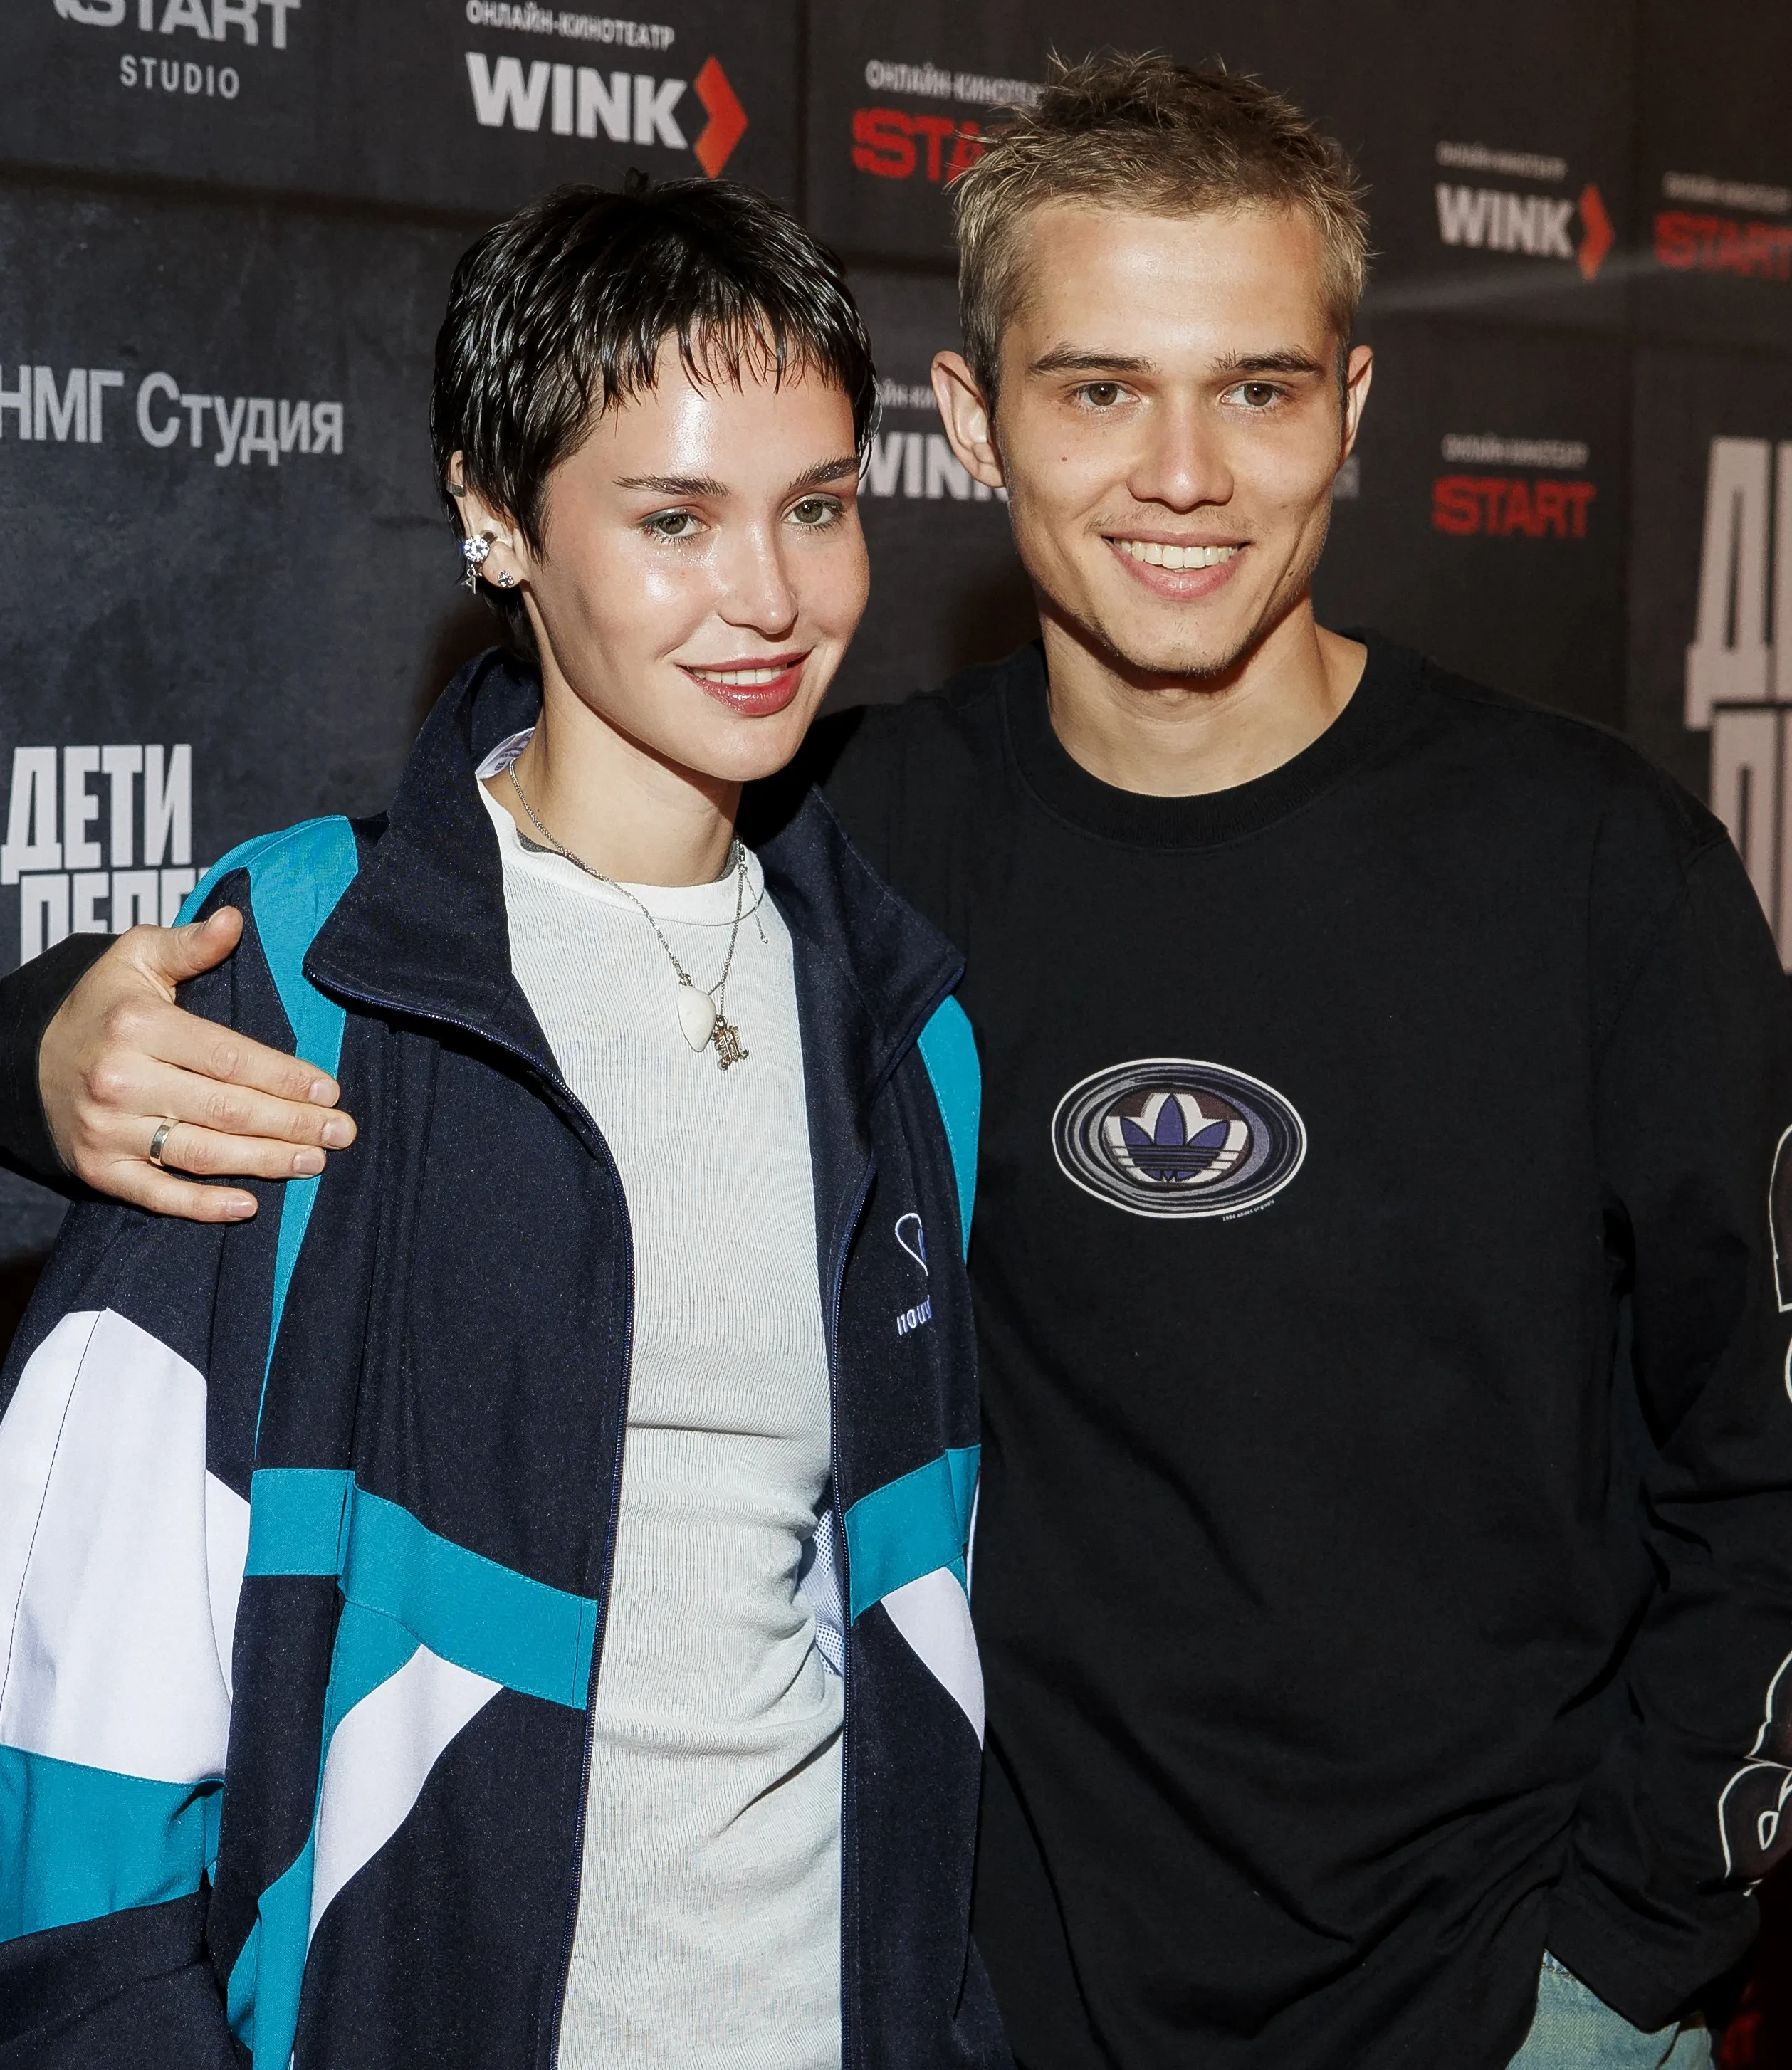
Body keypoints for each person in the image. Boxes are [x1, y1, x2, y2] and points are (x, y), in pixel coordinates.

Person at [6, 53, 1791, 2070]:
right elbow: (466, 901)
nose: (1183, 472)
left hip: (1488, 2008)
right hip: (1000, 2010)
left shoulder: (1598, 871)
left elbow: (1756, 1471)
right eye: (1098, 389)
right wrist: (44, 1042)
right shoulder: (849, 850)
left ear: (1353, 409)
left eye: (1258, 388)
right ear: (975, 415)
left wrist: (1619, 1967)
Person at [0, 179, 1005, 2070]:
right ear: (494, 516)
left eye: (815, 504)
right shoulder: (312, 980)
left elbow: (904, 1636)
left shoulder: (903, 1027)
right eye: (673, 518)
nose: (771, 596)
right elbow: (78, 1693)